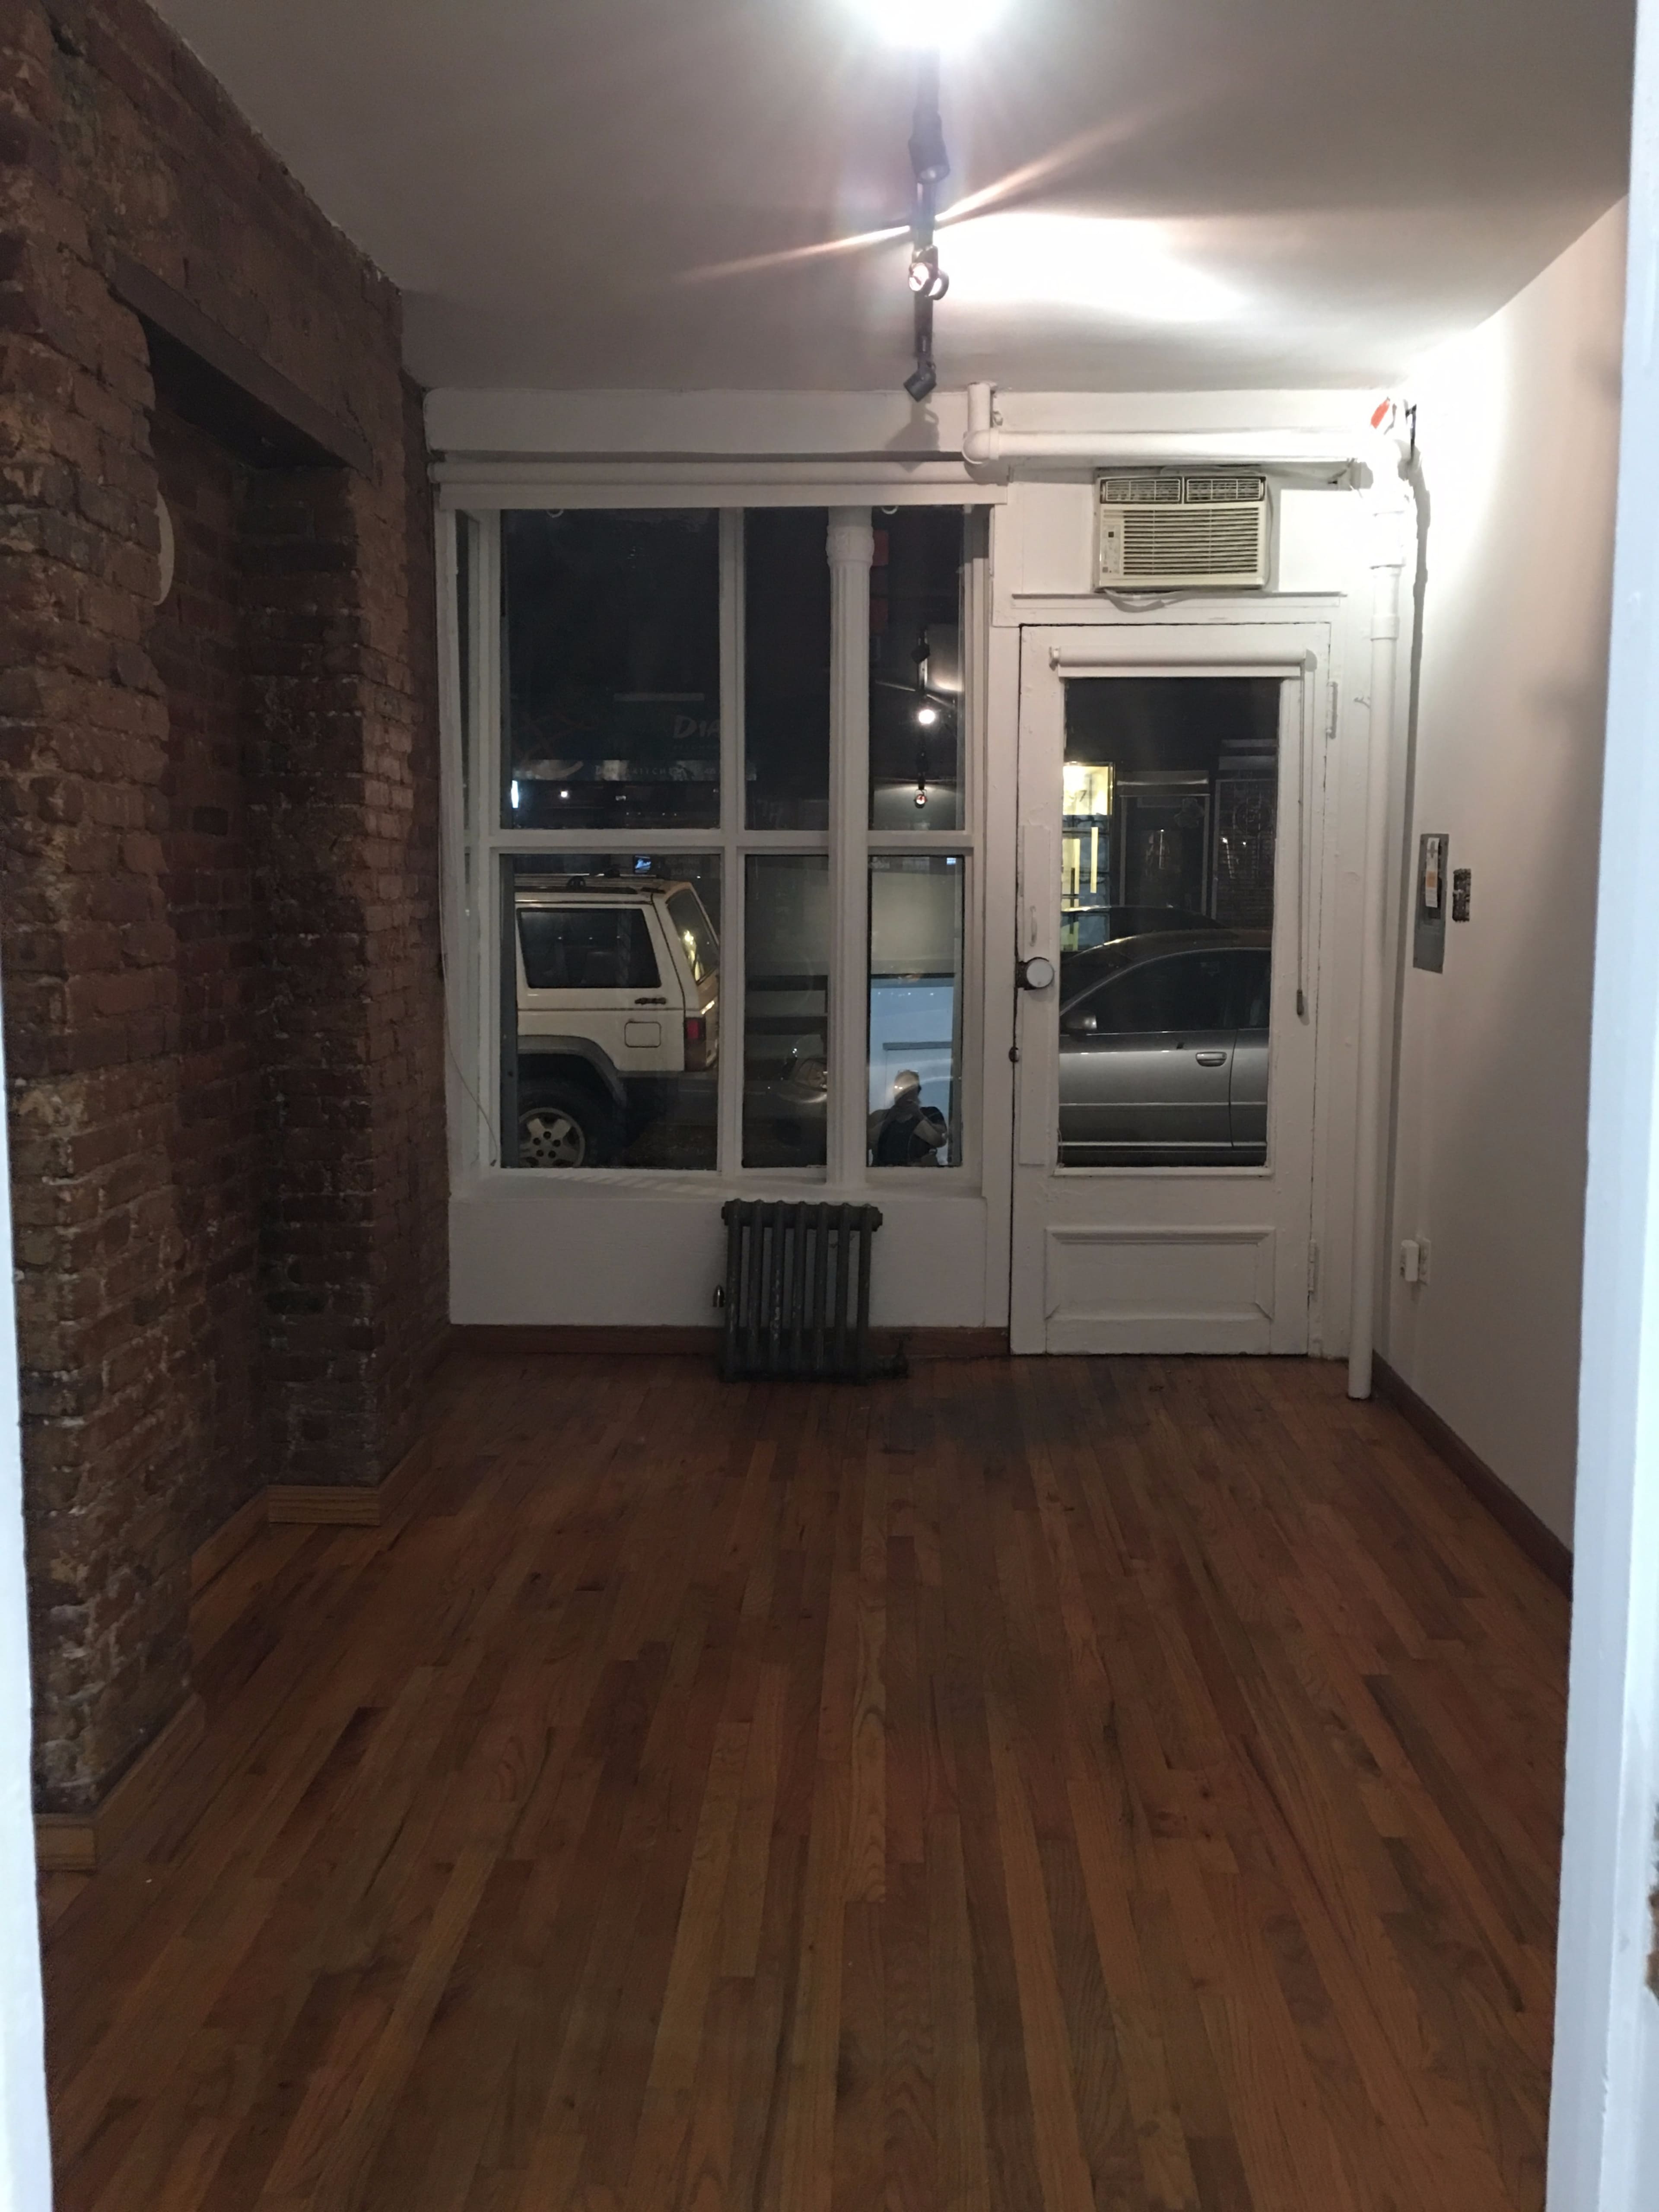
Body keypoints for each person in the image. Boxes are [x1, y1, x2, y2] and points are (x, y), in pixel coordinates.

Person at [869, 1069, 948, 1166]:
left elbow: (939, 1141)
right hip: (882, 1174)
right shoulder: (879, 1116)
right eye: (900, 1088)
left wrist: (919, 1116)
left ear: (918, 1091)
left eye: (910, 1088)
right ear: (894, 1091)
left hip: (921, 1174)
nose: (905, 1093)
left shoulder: (932, 1114)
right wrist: (888, 1120)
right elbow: (865, 1144)